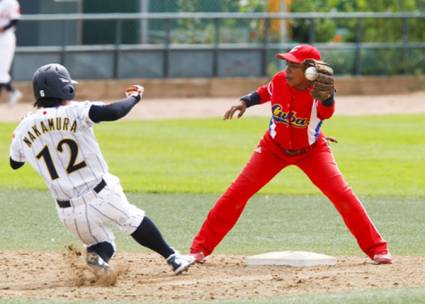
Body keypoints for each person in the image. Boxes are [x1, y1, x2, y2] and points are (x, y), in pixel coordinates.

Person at [190, 44, 392, 265]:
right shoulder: (279, 81)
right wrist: (244, 102)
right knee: (236, 193)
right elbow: (263, 92)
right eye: (287, 64)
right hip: (272, 149)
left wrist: (327, 98)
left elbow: (327, 112)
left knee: (342, 195)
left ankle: (377, 249)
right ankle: (199, 249)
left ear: (310, 71)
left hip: (312, 152)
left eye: (293, 66)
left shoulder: (321, 93)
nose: (287, 69)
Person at [9, 63, 195, 275]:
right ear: (65, 88)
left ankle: (97, 258)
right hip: (101, 193)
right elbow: (114, 111)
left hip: (68, 212)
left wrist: (23, 133)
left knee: (102, 243)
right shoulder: (75, 111)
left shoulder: (23, 127)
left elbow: (15, 164)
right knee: (132, 218)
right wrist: (134, 97)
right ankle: (173, 258)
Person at [0, 0, 22, 105]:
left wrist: (3, 28)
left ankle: (13, 92)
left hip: (5, 39)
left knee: (1, 70)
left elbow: (15, 20)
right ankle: (13, 92)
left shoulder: (10, 2)